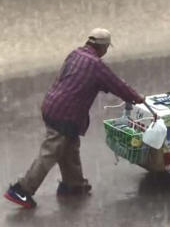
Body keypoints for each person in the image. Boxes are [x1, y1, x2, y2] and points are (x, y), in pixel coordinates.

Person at [3, 28, 146, 209]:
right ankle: (21, 190)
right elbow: (118, 85)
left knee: (69, 146)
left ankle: (73, 185)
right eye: (107, 48)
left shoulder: (75, 54)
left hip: (51, 105)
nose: (106, 52)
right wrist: (137, 98)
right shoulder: (96, 66)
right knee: (51, 152)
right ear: (102, 47)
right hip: (65, 113)